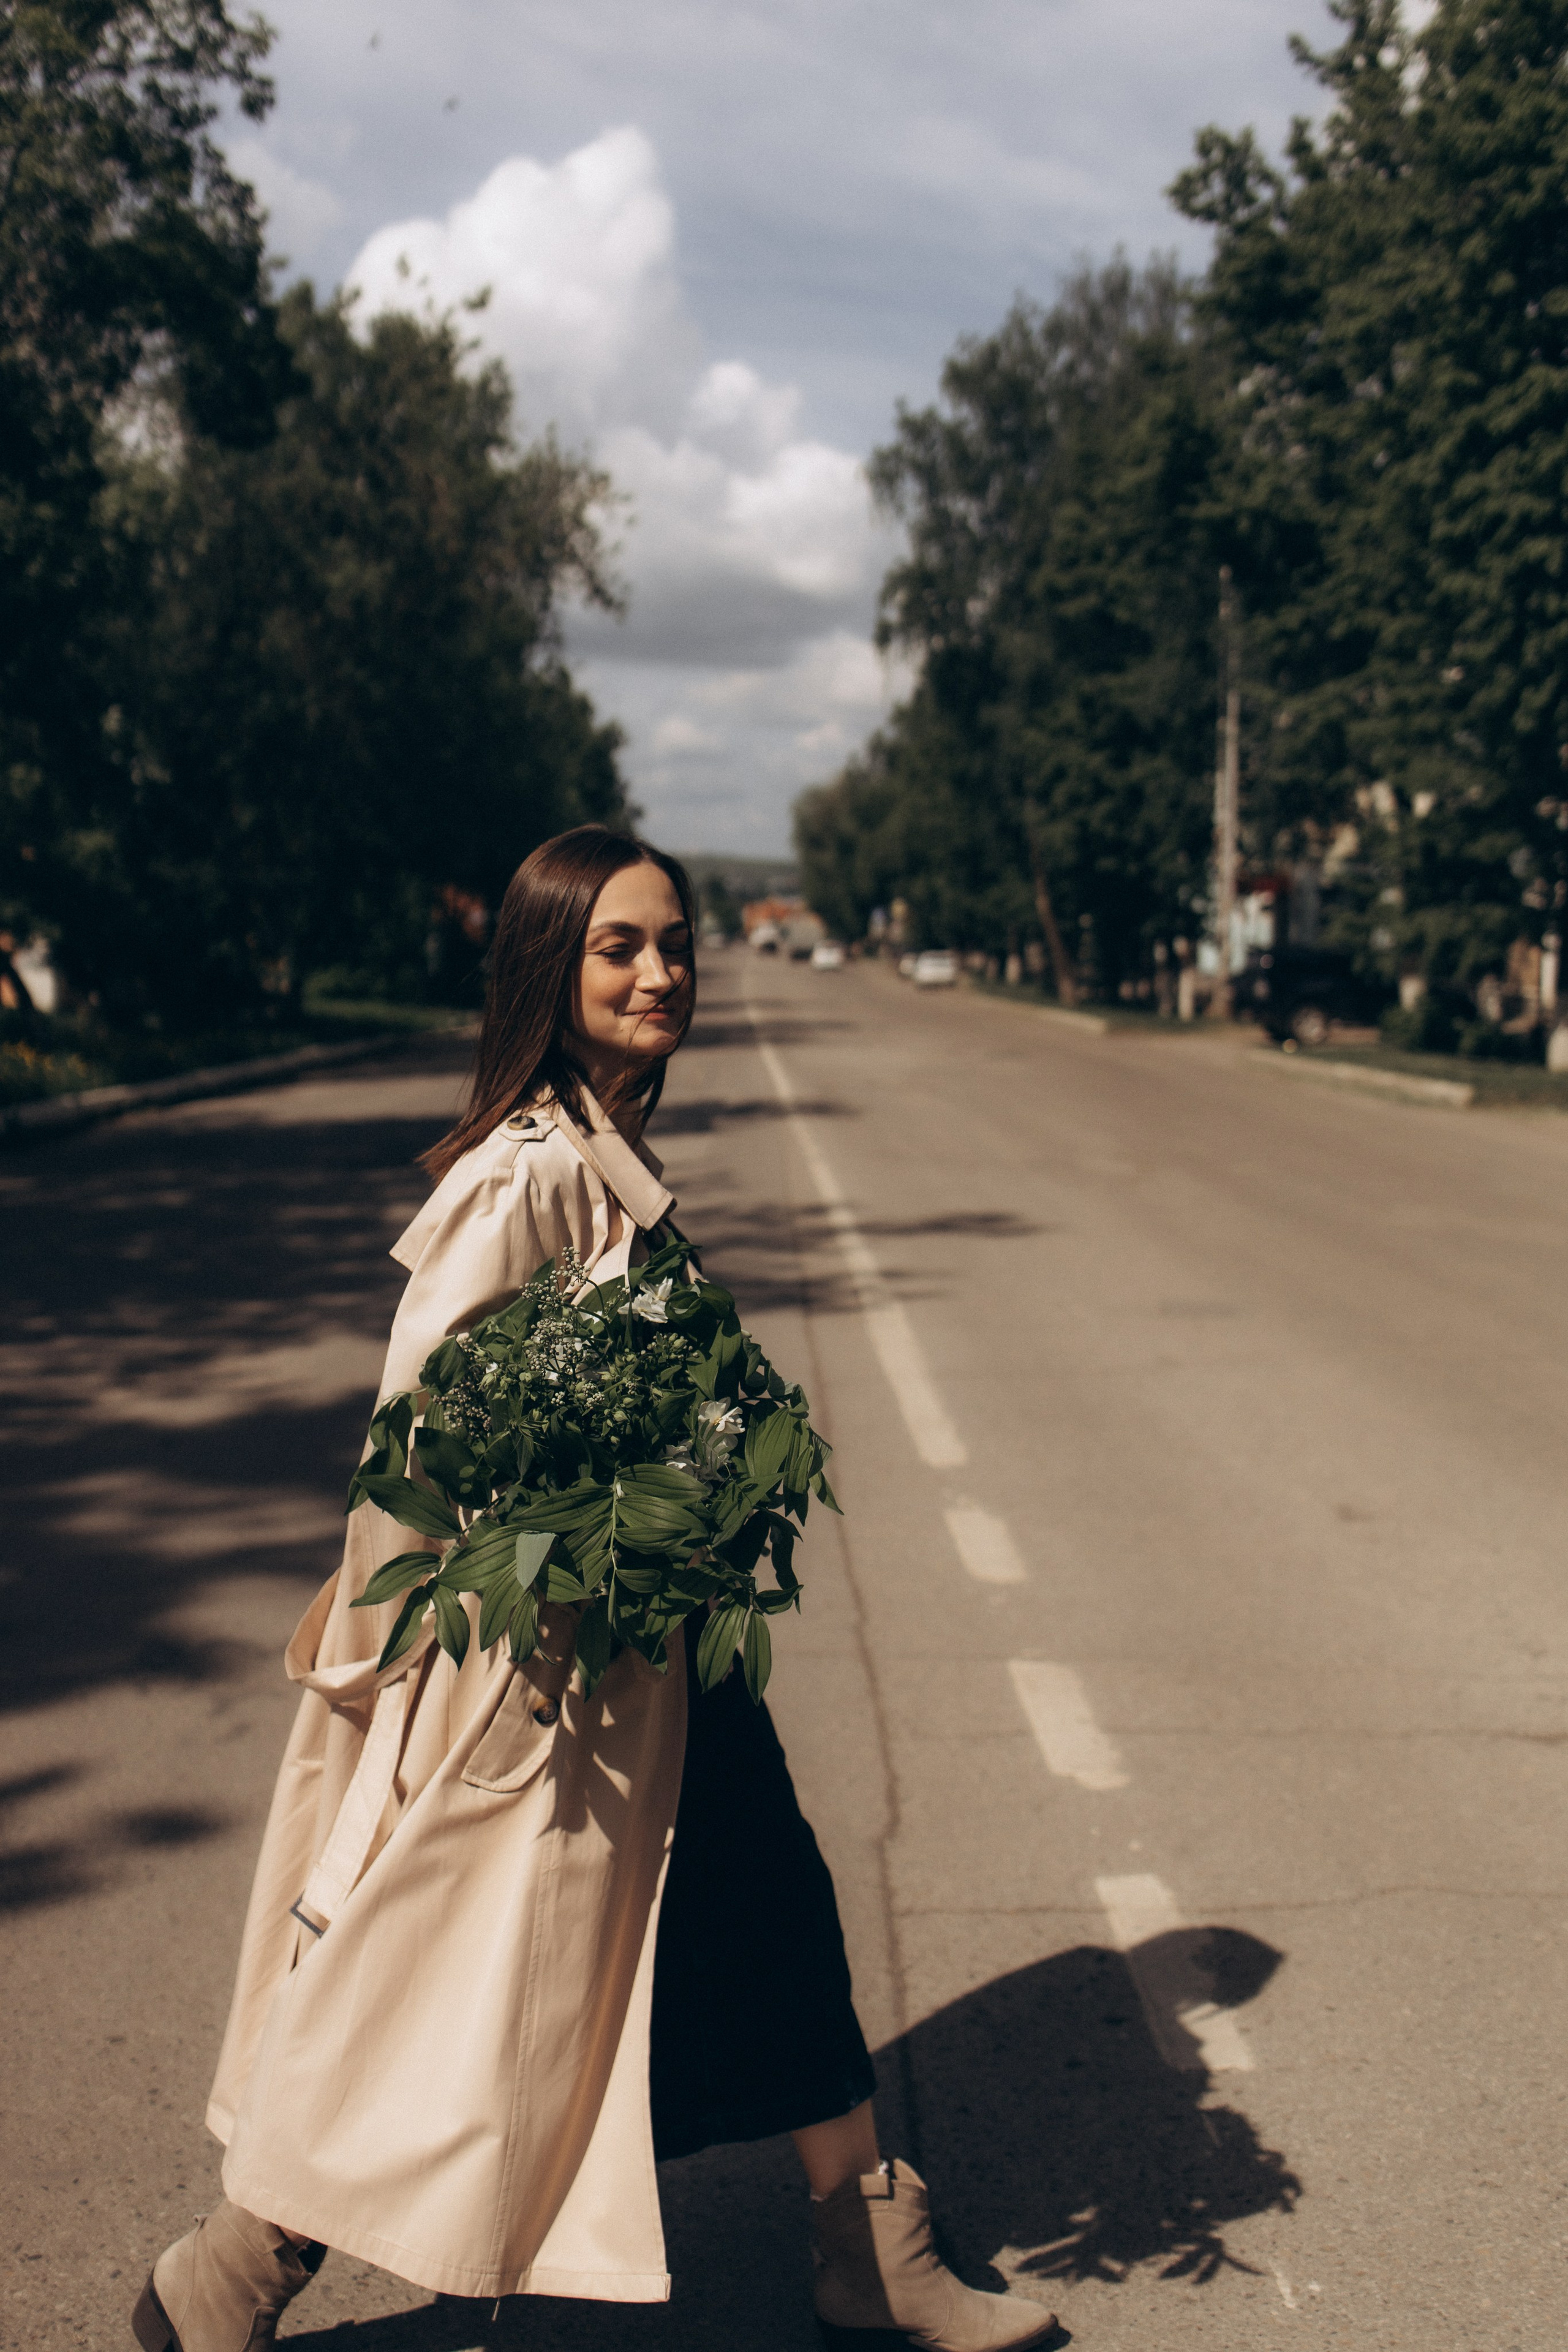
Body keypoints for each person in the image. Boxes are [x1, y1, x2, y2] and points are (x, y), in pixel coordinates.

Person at [133, 827, 1057, 2352]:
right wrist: (409, 1659)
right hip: (535, 1665)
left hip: (653, 1645)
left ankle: (864, 2239)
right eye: (618, 947)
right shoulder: (524, 1179)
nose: (659, 972)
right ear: (545, 972)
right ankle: (236, 2264)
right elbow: (415, 1444)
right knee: (443, 1974)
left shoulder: (600, 1146)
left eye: (674, 942)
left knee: (760, 1902)